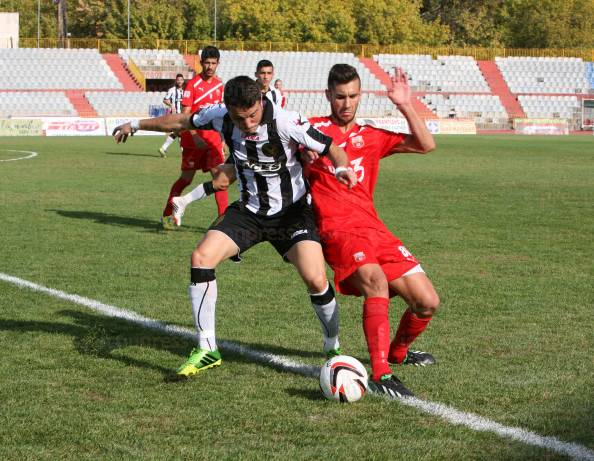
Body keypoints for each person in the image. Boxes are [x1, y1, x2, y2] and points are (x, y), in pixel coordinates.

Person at [171, 65, 439, 397]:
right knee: (376, 282)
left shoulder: (371, 135)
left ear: (360, 97)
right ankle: (380, 374)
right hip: (334, 229)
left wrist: (405, 104)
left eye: (353, 96)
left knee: (427, 301)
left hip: (374, 228)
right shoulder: (308, 130)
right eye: (340, 96)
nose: (346, 103)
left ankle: (397, 354)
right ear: (328, 96)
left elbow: (426, 145)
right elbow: (261, 156)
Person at [112, 76, 358, 379]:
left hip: (291, 213)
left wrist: (343, 167)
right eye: (240, 118)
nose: (248, 123)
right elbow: (181, 120)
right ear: (228, 110)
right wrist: (134, 125)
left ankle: (332, 347)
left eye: (253, 115)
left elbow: (331, 147)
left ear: (260, 102)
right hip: (250, 213)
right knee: (201, 258)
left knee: (316, 278)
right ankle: (207, 349)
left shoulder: (285, 120)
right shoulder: (220, 117)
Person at [160, 46, 227, 230]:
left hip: (213, 139)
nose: (210, 67)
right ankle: (167, 213)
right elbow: (185, 114)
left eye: (213, 63)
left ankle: (223, 220)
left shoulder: (220, 86)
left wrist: (222, 138)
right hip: (193, 141)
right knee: (186, 179)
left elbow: (221, 115)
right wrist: (195, 135)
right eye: (207, 63)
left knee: (220, 178)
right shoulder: (192, 85)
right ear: (201, 63)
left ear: (218, 63)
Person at [159, 73, 185, 158]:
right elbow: (165, 100)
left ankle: (163, 148)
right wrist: (172, 106)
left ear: (183, 81)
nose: (179, 81)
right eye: (178, 80)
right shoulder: (172, 90)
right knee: (181, 133)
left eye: (181, 80)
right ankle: (183, 153)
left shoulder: (186, 90)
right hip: (175, 115)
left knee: (178, 133)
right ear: (176, 81)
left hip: (183, 115)